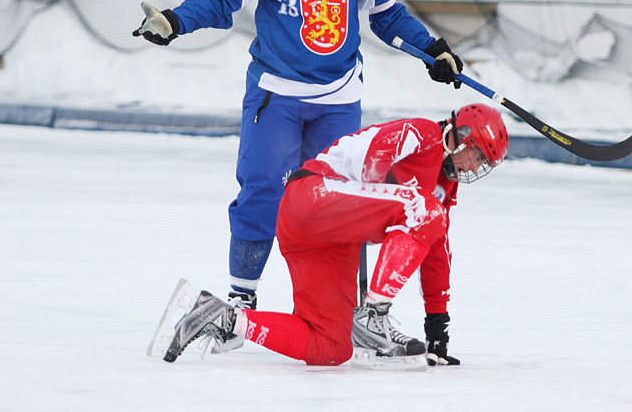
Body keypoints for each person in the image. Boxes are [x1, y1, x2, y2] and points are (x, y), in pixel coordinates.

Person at [132, 0, 464, 339]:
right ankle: (240, 300)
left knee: (343, 203)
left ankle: (357, 316)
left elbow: (387, 14)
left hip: (338, 98)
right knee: (263, 190)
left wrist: (431, 49)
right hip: (277, 95)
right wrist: (176, 21)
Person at [147, 103, 509, 369]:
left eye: (483, 165)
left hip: (330, 237)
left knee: (331, 347)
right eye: (477, 156)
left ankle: (221, 318)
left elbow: (435, 251)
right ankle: (372, 316)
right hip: (312, 197)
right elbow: (373, 161)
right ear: (461, 137)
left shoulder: (439, 188)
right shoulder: (423, 133)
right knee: (422, 209)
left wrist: (437, 326)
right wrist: (390, 204)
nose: (475, 168)